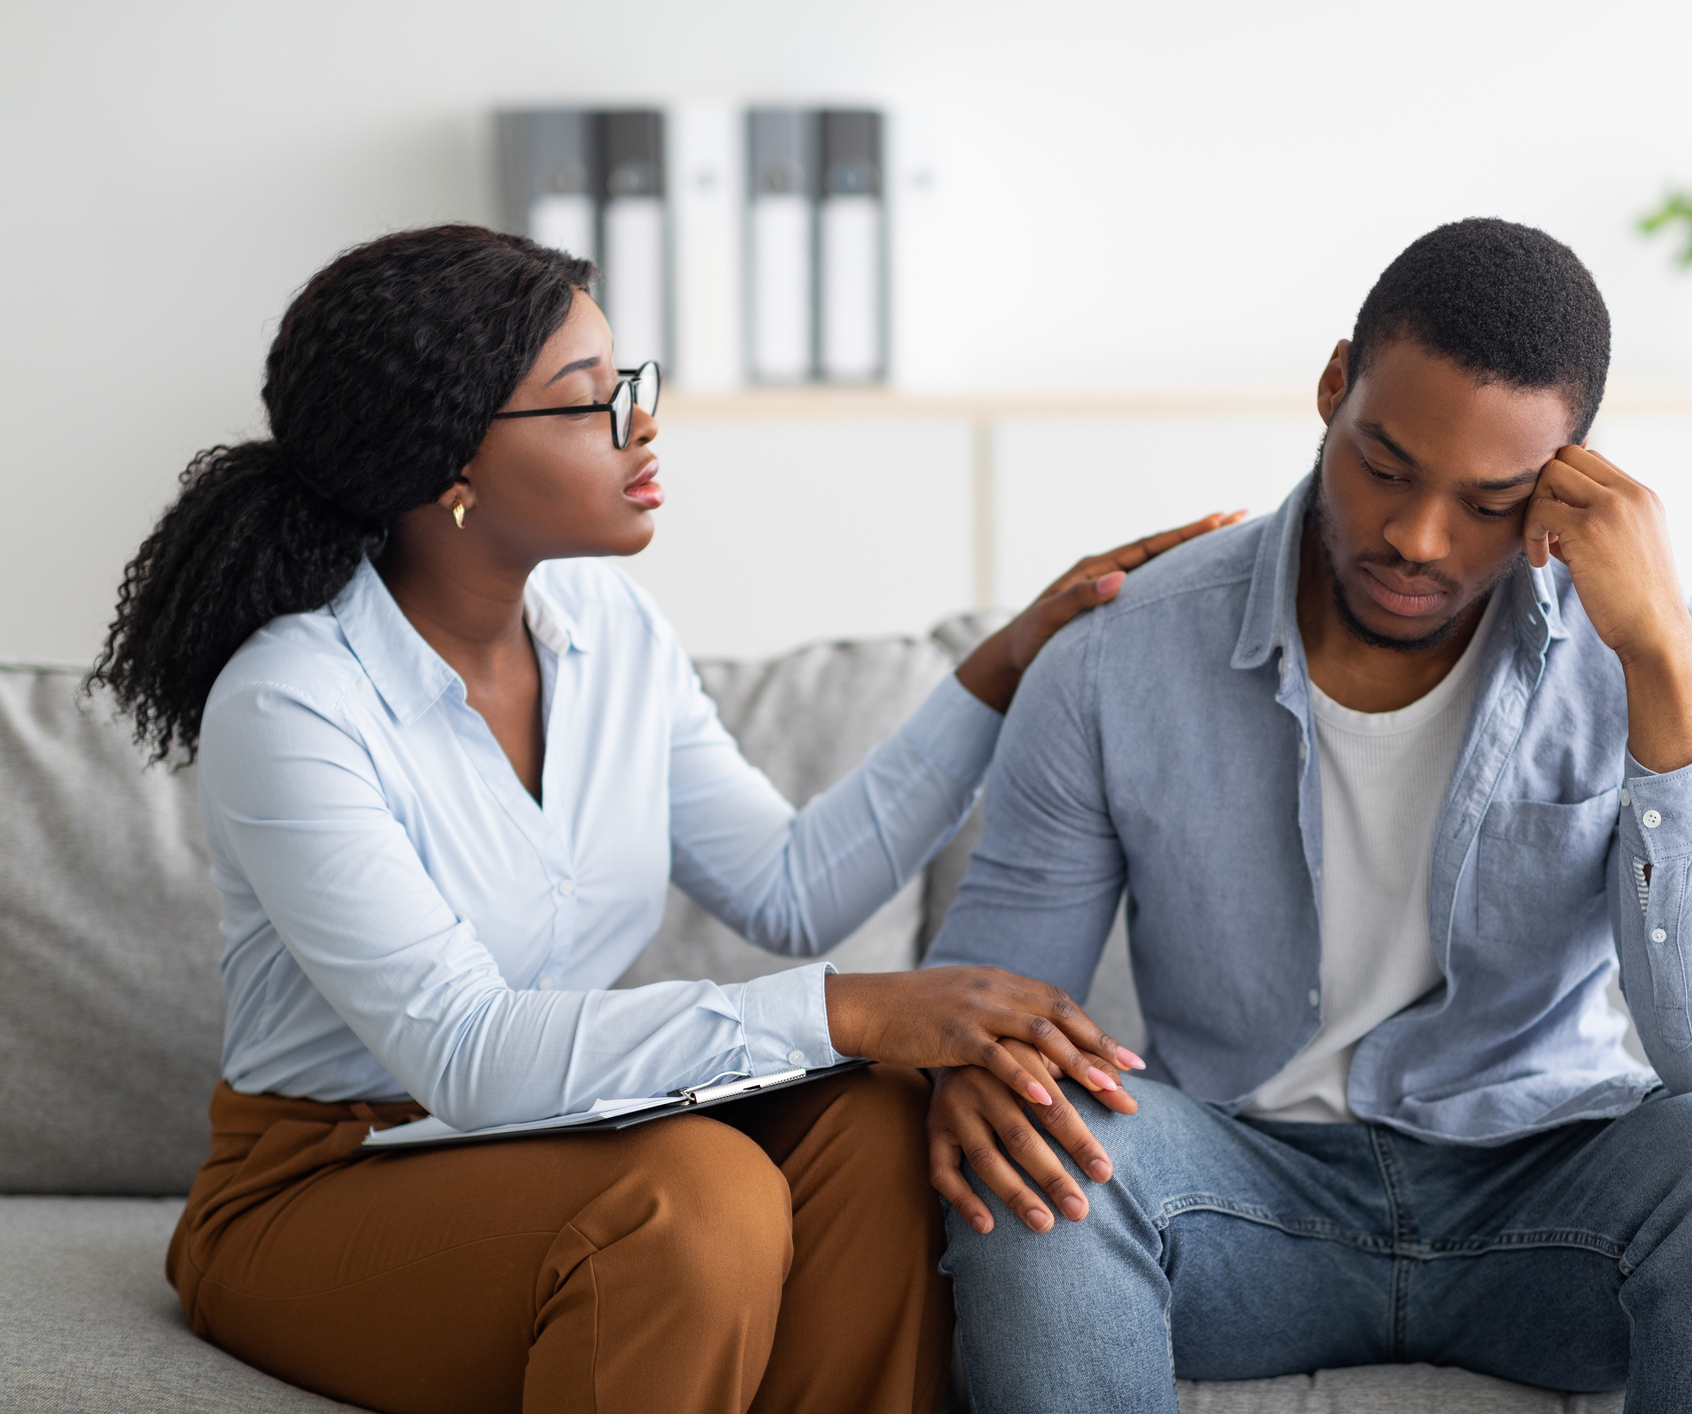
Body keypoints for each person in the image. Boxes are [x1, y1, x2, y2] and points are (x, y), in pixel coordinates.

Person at [90, 223, 1229, 1414]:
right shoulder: (293, 700)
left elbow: (792, 887)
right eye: (588, 403)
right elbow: (470, 1055)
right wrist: (853, 1007)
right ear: (450, 468)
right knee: (691, 1196)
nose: (641, 423)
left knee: (878, 1127)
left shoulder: (608, 628)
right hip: (322, 1183)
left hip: (549, 1148)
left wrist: (1007, 661)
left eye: (629, 381)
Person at [923, 219, 1692, 1412]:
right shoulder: (1117, 659)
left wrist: (1659, 667)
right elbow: (984, 1011)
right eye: (1384, 464)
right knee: (1038, 1151)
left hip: (1547, 1202)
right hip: (1238, 1194)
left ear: (1570, 481)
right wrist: (976, 1067)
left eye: (1488, 501)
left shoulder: (1666, 658)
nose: (1417, 539)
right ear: (1332, 388)